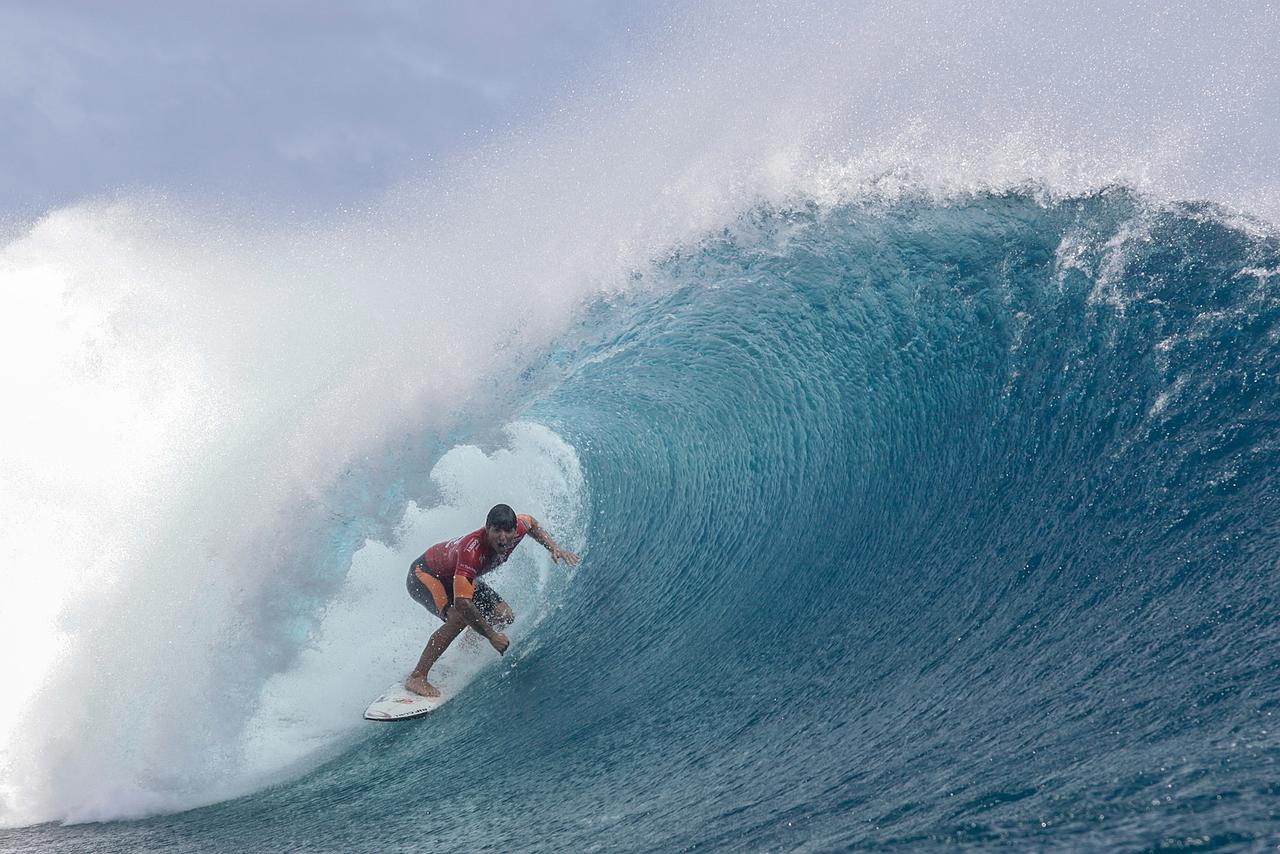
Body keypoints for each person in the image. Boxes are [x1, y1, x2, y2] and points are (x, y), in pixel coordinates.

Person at [404, 503, 580, 697]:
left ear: (515, 531)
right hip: (425, 575)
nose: (502, 538)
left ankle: (463, 651)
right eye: (496, 531)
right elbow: (463, 604)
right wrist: (491, 636)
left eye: (508, 531)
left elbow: (531, 523)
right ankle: (417, 677)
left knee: (503, 615)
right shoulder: (472, 552)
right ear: (487, 529)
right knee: (459, 618)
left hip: (457, 575)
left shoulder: (519, 528)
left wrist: (554, 548)